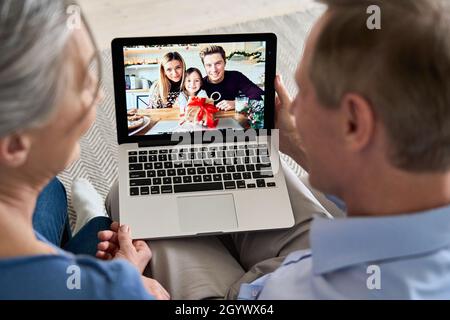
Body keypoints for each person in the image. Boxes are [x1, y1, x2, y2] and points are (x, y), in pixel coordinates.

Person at [105, 0, 450, 300]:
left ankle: (97, 217)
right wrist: (297, 142)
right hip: (317, 254)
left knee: (127, 197)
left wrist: (133, 287)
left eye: (305, 93)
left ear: (353, 123)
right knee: (250, 163)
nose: (293, 109)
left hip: (252, 295)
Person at [0, 0, 169, 300]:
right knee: (102, 228)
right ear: (14, 144)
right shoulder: (115, 290)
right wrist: (125, 281)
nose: (100, 93)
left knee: (50, 189)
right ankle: (91, 219)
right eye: (80, 82)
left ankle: (88, 220)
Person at [199, 45, 264, 111]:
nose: (214, 70)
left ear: (225, 63)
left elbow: (261, 96)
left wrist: (237, 103)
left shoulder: (235, 76)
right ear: (204, 66)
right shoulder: (200, 84)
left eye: (218, 63)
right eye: (209, 65)